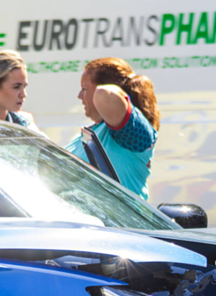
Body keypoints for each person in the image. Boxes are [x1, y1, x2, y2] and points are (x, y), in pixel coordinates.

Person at [67, 58, 159, 201]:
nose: (79, 96)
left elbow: (106, 96)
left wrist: (113, 86)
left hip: (120, 223)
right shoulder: (90, 132)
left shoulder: (134, 130)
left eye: (84, 89)